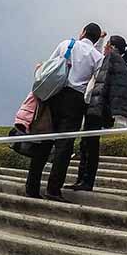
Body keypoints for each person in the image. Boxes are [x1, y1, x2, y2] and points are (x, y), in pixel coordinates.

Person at [26, 23, 105, 200]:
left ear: (83, 32)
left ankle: (32, 186)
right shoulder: (97, 56)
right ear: (96, 38)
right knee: (64, 145)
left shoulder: (66, 44)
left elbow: (48, 65)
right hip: (75, 100)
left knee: (44, 140)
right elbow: (95, 83)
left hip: (53, 94)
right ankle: (53, 189)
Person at [68, 35, 127, 192]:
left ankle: (86, 181)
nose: (105, 47)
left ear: (112, 47)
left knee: (90, 145)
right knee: (86, 144)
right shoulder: (114, 60)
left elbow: (109, 85)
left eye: (107, 44)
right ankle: (81, 180)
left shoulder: (112, 59)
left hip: (97, 108)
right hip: (96, 107)